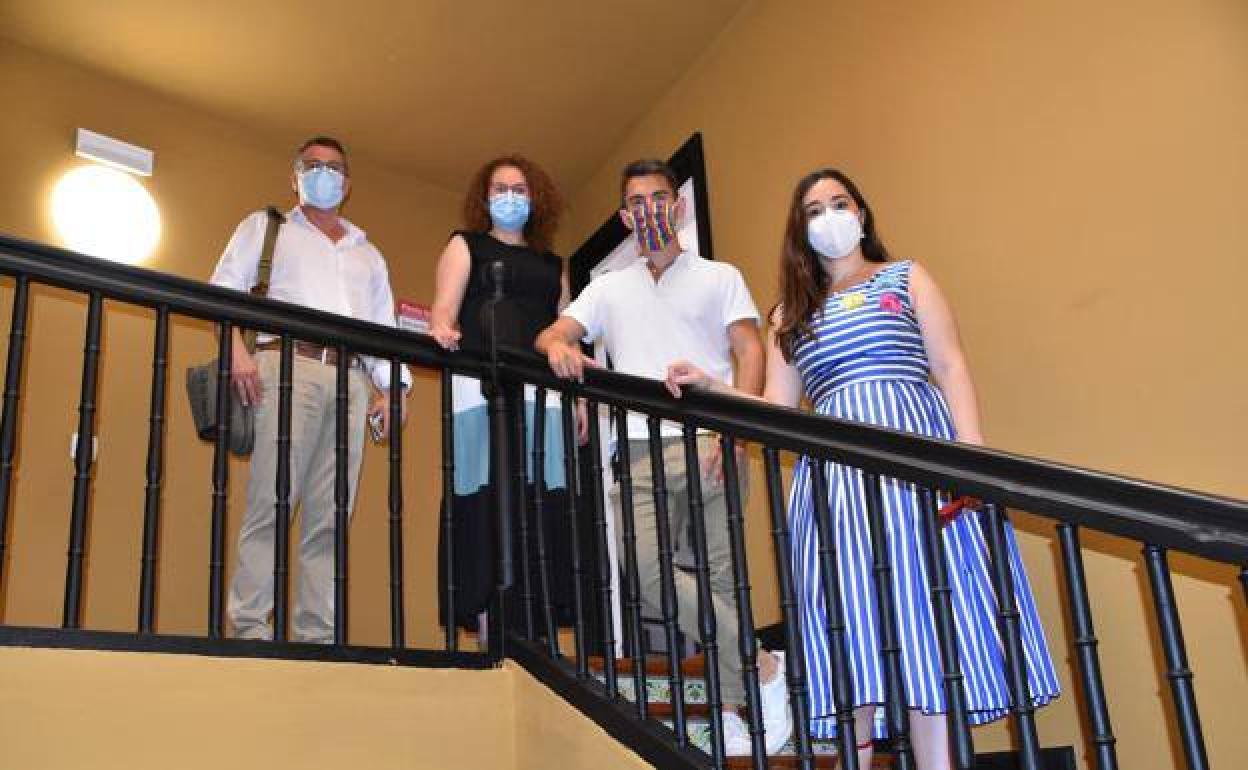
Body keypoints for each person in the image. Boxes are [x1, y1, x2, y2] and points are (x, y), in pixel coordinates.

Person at [665, 168, 1061, 769]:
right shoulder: (787, 317)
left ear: (862, 213)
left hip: (918, 463)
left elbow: (950, 365)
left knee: (927, 624)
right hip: (836, 488)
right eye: (813, 210)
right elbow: (776, 409)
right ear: (800, 231)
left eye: (839, 202)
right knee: (852, 632)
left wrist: (971, 455)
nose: (829, 216)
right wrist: (714, 386)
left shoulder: (907, 277)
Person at [535, 159, 793, 756]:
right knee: (646, 571)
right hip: (636, 450)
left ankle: (732, 706)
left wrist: (736, 428)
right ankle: (763, 663)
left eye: (660, 197)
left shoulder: (718, 275)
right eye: (637, 201)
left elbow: (748, 350)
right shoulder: (608, 287)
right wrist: (561, 351)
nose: (650, 208)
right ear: (626, 216)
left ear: (675, 206)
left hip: (708, 441)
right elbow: (553, 334)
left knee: (723, 580)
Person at [211, 135, 410, 643]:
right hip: (285, 365)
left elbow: (382, 328)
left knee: (331, 513)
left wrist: (394, 390)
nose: (324, 173)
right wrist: (235, 350)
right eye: (313, 165)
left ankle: (318, 635)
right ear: (294, 175)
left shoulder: (369, 254)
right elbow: (222, 291)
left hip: (352, 381)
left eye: (334, 167)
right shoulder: (267, 227)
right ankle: (251, 627)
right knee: (273, 500)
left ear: (347, 183)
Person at [429, 154, 575, 644]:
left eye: (519, 188)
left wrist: (576, 401)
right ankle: (492, 628)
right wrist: (441, 329)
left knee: (542, 498)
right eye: (500, 187)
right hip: (480, 388)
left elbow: (566, 331)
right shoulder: (464, 245)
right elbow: (444, 311)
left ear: (534, 199)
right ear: (484, 196)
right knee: (487, 498)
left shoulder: (553, 265)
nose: (509, 196)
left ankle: (538, 630)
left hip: (544, 397)